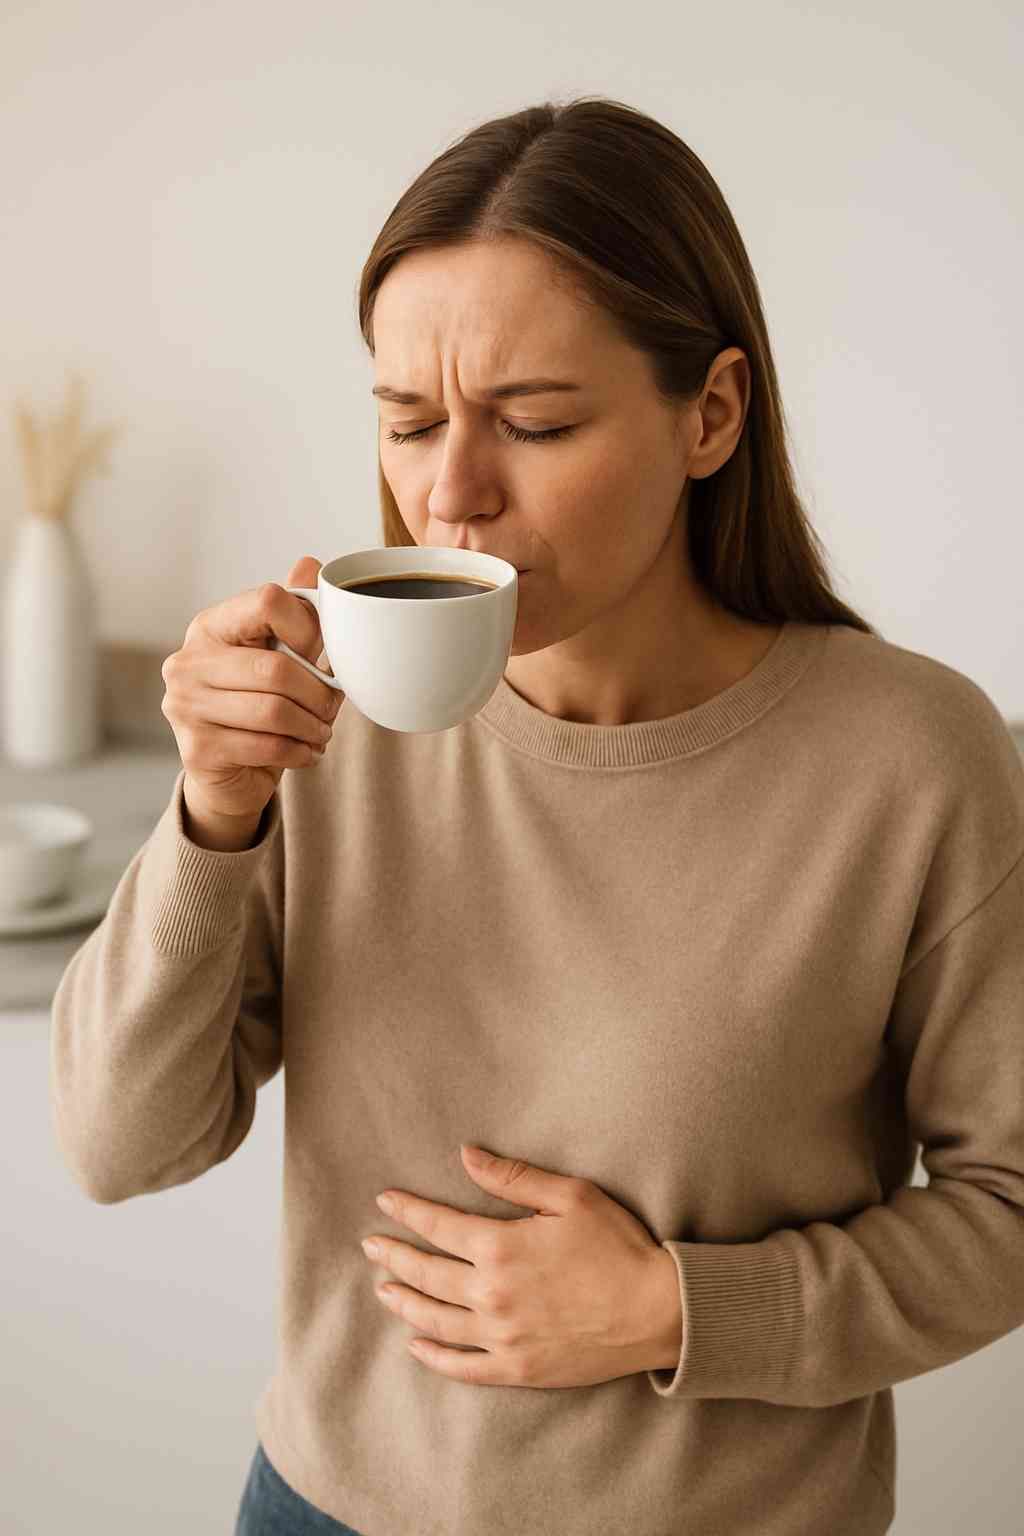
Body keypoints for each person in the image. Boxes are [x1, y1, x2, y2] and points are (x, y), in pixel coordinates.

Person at [50, 95, 1024, 1536]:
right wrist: (211, 817)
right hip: (325, 1510)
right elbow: (118, 1146)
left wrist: (679, 1309)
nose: (452, 495)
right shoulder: (316, 724)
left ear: (712, 415)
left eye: (536, 423)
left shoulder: (915, 760)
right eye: (408, 420)